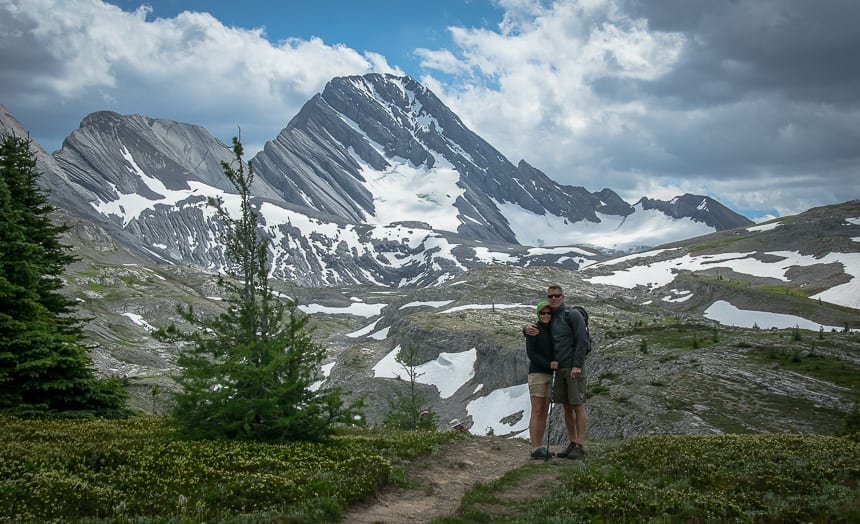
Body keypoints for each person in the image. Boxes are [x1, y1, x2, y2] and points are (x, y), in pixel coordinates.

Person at [524, 285, 588, 459]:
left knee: (577, 405)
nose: (553, 299)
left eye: (557, 296)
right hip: (556, 371)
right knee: (566, 407)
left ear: (563, 297)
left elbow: (582, 340)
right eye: (550, 296)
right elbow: (533, 343)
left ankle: (579, 445)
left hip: (572, 368)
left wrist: (577, 364)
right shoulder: (546, 322)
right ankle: (570, 443)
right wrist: (525, 329)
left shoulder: (571, 315)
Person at [525, 300, 558, 459]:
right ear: (538, 314)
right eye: (542, 313)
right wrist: (548, 364)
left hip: (548, 375)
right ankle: (535, 447)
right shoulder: (533, 330)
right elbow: (531, 354)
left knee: (544, 412)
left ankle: (539, 446)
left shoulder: (552, 330)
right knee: (537, 411)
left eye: (548, 313)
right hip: (537, 374)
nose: (546, 316)